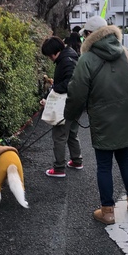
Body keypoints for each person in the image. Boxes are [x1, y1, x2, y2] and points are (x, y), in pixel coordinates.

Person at [64, 16, 128, 225]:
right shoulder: (125, 52)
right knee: (125, 158)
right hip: (127, 116)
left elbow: (77, 92)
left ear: (89, 35)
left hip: (102, 118)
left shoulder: (87, 59)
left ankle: (107, 211)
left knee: (104, 165)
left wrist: (69, 115)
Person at [41, 36, 83, 178]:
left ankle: (59, 168)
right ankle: (76, 161)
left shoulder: (66, 61)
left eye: (48, 55)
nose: (49, 58)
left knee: (59, 135)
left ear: (54, 52)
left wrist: (54, 89)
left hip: (67, 105)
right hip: (76, 103)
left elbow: (68, 84)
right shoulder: (71, 56)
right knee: (72, 133)